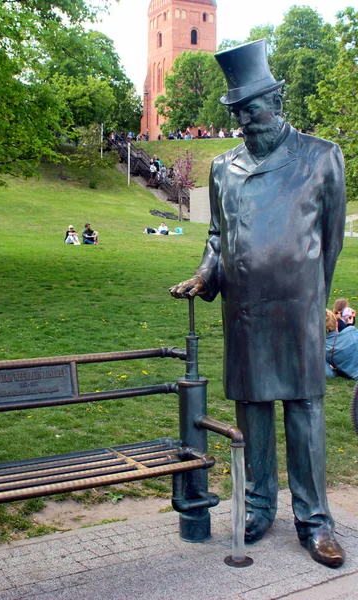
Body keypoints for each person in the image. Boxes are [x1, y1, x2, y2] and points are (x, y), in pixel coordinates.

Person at [170, 39, 346, 568]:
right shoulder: (223, 167)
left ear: (277, 100)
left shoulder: (321, 156)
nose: (246, 119)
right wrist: (207, 271)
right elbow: (218, 236)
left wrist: (312, 293)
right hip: (245, 310)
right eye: (237, 111)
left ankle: (315, 520)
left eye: (253, 108)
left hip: (298, 309)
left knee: (304, 411)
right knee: (252, 411)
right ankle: (259, 505)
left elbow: (330, 242)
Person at [326, 309, 358, 380]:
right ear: (337, 324)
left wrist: (339, 371)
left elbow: (328, 373)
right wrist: (350, 325)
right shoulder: (351, 331)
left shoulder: (323, 349)